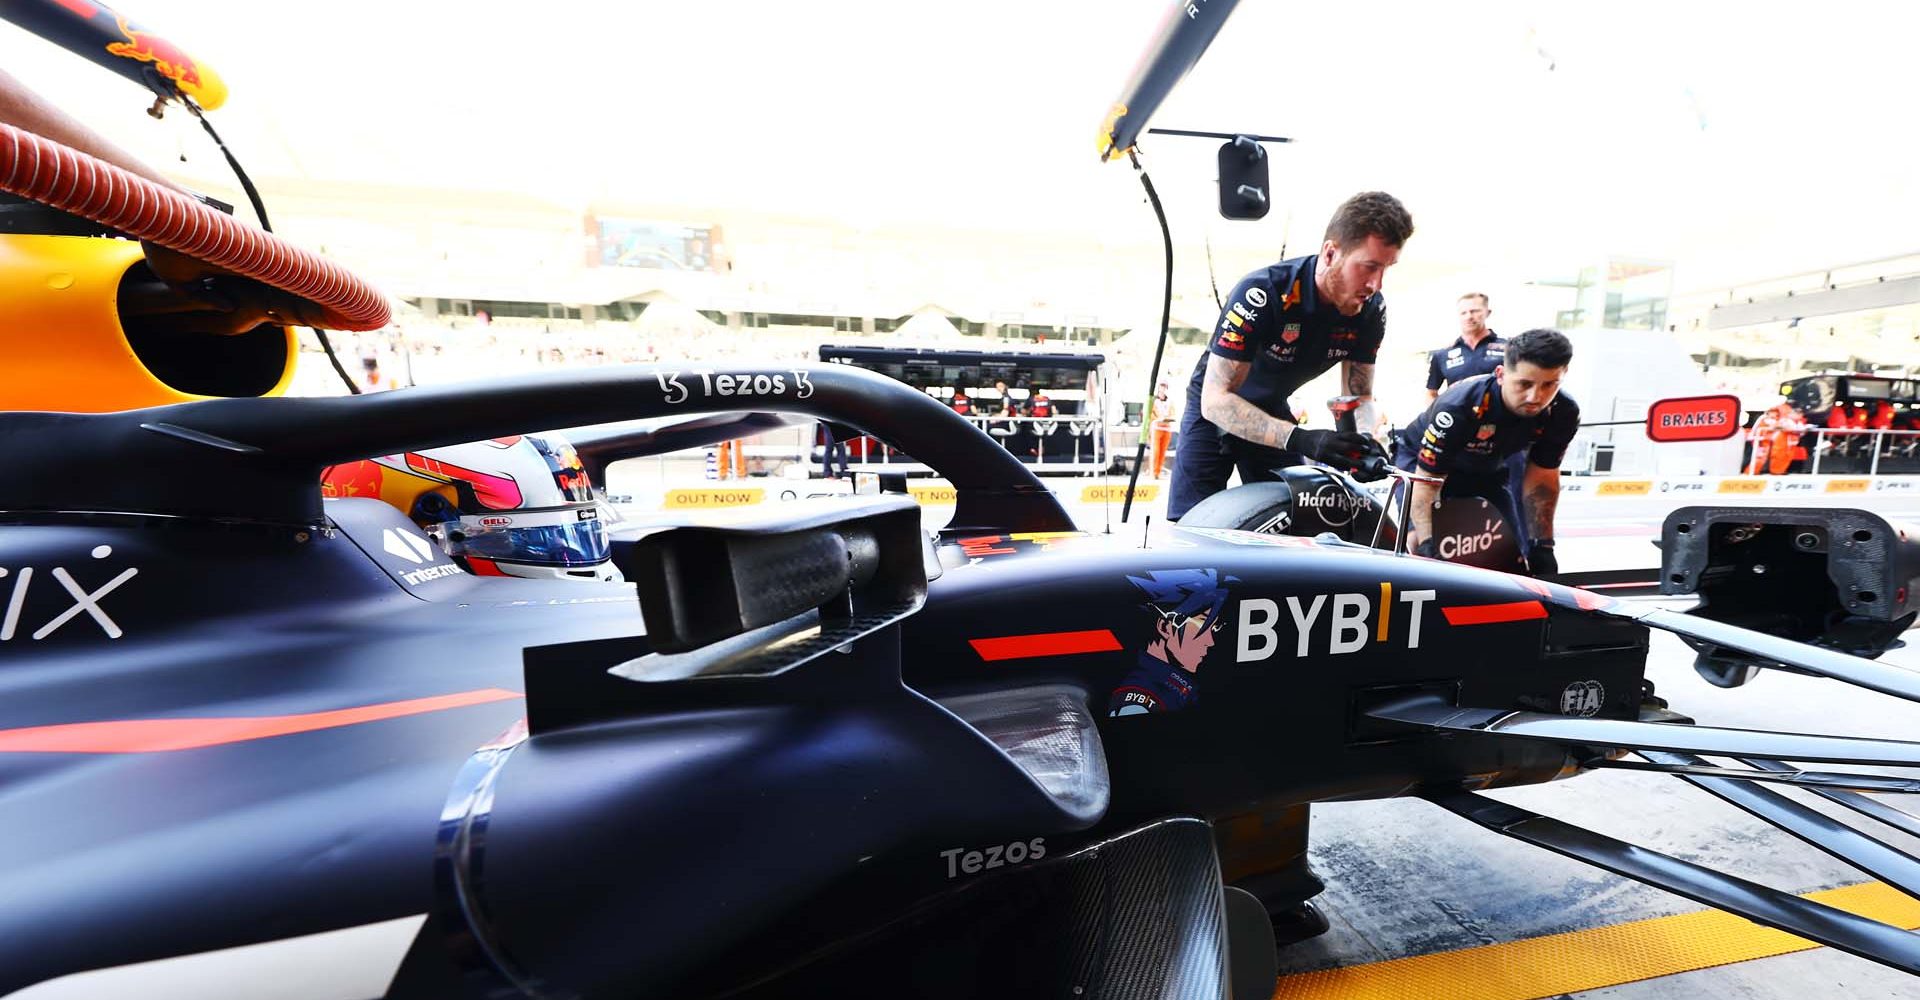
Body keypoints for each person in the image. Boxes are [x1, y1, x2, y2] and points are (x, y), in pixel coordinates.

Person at [1167, 192, 1412, 520]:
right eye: (1368, 267)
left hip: (1271, 405)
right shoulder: (1264, 292)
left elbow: (1359, 395)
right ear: (1330, 253)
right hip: (1216, 407)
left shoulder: (1371, 310)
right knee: (1191, 526)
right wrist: (1303, 440)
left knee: (1299, 516)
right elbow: (1215, 401)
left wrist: (1363, 443)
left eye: (1386, 269)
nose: (1376, 284)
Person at [1395, 329, 1577, 577]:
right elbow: (1426, 483)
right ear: (1501, 374)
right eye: (1524, 384)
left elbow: (1542, 479)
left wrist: (1542, 546)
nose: (1536, 397)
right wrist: (1428, 547)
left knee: (1514, 553)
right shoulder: (1459, 406)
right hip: (1423, 465)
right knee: (1422, 547)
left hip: (1486, 467)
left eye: (1549, 385)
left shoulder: (1563, 412)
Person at [1425, 294, 1505, 400]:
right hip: (1461, 415)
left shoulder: (1509, 349)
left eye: (1475, 311)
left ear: (1488, 312)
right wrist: (1436, 414)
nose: (1469, 317)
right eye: (1463, 313)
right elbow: (1431, 393)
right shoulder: (1442, 355)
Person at [1149, 380, 1178, 479]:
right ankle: (1153, 472)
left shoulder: (1170, 402)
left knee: (1162, 451)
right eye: (1161, 386)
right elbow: (1150, 414)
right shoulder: (1153, 400)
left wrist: (1168, 418)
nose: (1163, 389)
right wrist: (1157, 419)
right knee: (1155, 451)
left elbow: (1173, 413)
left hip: (1167, 428)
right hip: (1156, 428)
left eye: (1165, 387)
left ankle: (1158, 472)